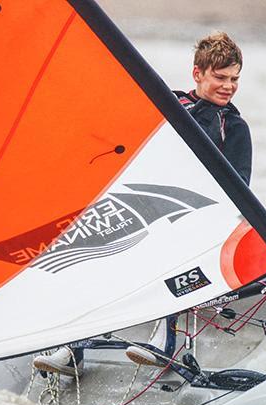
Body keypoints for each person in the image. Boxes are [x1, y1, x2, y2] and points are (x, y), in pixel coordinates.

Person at [33, 31, 252, 376]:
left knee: (168, 253)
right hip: (147, 212)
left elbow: (241, 193)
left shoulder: (235, 128)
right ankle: (73, 351)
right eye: (220, 77)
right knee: (89, 252)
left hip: (196, 224)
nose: (229, 86)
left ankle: (167, 347)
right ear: (198, 73)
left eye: (234, 79)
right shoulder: (172, 106)